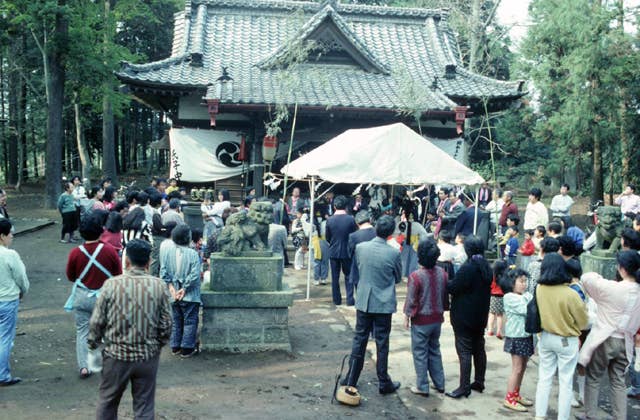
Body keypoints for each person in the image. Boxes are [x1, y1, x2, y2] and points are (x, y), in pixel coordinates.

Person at [89, 239, 172, 419]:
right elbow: (166, 324)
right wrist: (158, 344)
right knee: (144, 406)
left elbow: (97, 322)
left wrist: (93, 345)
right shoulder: (159, 286)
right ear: (149, 262)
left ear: (126, 261)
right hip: (147, 356)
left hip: (116, 356)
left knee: (108, 402)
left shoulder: (111, 285)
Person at [341, 215, 402, 395]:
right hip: (383, 303)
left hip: (364, 300)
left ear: (376, 228)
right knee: (382, 343)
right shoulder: (394, 252)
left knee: (359, 339)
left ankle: (351, 378)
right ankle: (383, 381)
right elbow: (398, 277)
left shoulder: (361, 248)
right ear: (391, 233)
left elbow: (359, 268)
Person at [577, 250, 640, 420]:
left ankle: (590, 414)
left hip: (604, 339)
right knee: (618, 381)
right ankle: (620, 417)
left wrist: (599, 275)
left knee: (594, 377)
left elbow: (587, 278)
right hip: (626, 341)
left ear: (622, 268)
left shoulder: (612, 288)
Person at [65, 216, 121, 378]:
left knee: (83, 331)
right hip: (105, 296)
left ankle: (84, 366)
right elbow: (118, 274)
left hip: (82, 296)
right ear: (101, 230)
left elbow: (71, 276)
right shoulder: (109, 250)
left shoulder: (75, 252)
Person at [534, 253, 588, 420]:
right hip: (566, 340)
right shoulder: (570, 294)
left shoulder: (539, 288)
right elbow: (583, 321)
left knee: (544, 378)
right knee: (565, 382)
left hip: (545, 337)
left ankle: (539, 415)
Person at [446, 235, 492, 399]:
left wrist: (446, 279)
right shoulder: (486, 266)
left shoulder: (469, 268)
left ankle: (464, 386)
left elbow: (454, 287)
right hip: (480, 316)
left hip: (464, 316)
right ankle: (479, 381)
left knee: (464, 350)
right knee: (479, 348)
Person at [403, 238, 448, 396]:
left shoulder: (415, 276)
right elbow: (444, 297)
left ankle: (422, 386)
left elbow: (411, 300)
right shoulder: (442, 273)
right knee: (434, 350)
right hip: (437, 318)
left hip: (421, 320)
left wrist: (407, 316)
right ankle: (440, 383)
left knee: (420, 353)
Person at [160, 224, 202, 358]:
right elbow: (195, 275)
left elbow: (163, 272)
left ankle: (175, 346)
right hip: (189, 295)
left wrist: (172, 289)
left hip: (173, 294)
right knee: (190, 321)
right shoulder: (193, 253)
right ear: (188, 238)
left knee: (176, 321)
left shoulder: (168, 252)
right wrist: (184, 288)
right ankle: (187, 348)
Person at [500, 268, 534, 412]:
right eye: (521, 281)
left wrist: (528, 297)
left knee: (523, 367)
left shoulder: (525, 295)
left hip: (526, 335)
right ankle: (509, 398)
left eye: (525, 281)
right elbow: (528, 309)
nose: (524, 284)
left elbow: (530, 302)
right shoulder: (509, 297)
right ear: (511, 283)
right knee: (517, 368)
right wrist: (528, 298)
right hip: (516, 336)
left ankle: (516, 394)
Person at [0, 219, 28, 386]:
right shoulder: (10, 255)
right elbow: (21, 278)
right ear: (2, 236)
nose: (12, 236)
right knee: (4, 338)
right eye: (10, 233)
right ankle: (3, 375)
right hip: (7, 299)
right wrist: (23, 291)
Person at [325, 195, 357, 306]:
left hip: (333, 251)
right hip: (347, 251)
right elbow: (354, 235)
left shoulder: (330, 220)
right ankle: (349, 299)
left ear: (334, 206)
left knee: (335, 277)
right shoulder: (351, 219)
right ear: (346, 206)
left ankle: (337, 300)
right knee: (349, 276)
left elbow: (327, 237)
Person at [347, 210, 376, 293]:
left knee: (360, 292)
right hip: (375, 266)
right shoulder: (377, 232)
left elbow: (350, 253)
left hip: (359, 267)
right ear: (370, 220)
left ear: (357, 223)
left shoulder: (353, 236)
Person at [487, 260, 508, 339]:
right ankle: (499, 331)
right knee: (500, 315)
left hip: (493, 296)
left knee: (492, 313)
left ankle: (490, 330)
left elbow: (490, 285)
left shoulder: (493, 276)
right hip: (501, 297)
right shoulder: (504, 277)